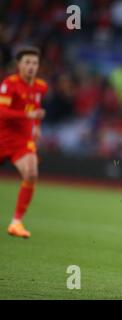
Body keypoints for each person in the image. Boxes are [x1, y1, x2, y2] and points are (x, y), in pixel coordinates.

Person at [0, 46, 47, 238]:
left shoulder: (40, 87)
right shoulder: (9, 84)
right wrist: (27, 115)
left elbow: (35, 108)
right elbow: (2, 112)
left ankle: (16, 222)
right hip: (2, 137)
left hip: (22, 140)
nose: (31, 66)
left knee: (31, 173)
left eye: (34, 63)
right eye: (27, 62)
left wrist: (36, 125)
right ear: (19, 64)